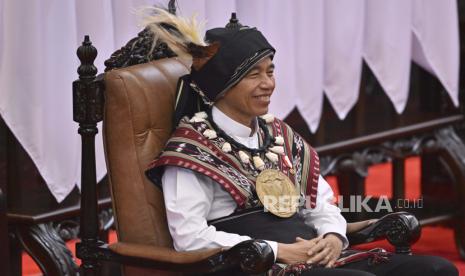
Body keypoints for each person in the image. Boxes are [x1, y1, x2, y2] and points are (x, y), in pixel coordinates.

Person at [144, 7, 458, 276]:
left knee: (434, 270)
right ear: (222, 84)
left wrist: (333, 235)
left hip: (313, 255)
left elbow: (318, 201)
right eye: (254, 75)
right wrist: (278, 250)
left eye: (270, 71)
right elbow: (189, 237)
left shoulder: (279, 135)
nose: (268, 84)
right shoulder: (191, 149)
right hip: (253, 266)